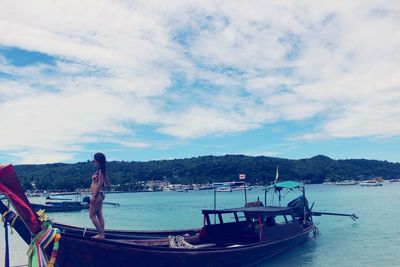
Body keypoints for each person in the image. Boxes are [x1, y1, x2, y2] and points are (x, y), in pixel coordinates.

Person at [90, 152, 109, 239]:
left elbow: (101, 182)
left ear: (98, 161)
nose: (93, 161)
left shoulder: (101, 170)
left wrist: (94, 195)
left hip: (97, 195)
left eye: (95, 159)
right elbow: (106, 183)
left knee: (92, 215)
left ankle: (100, 234)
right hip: (99, 195)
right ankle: (102, 234)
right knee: (99, 215)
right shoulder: (101, 170)